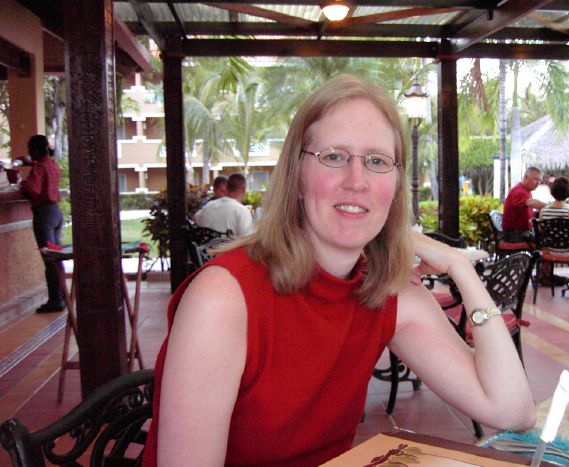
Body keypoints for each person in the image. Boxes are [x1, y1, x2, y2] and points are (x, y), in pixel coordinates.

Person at [142, 75, 535, 466]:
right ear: (297, 178)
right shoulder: (223, 299)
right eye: (333, 157)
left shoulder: (385, 292)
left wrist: (462, 269)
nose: (356, 181)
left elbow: (512, 411)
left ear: (396, 186)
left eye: (377, 161)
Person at [20, 135, 65, 313]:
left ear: (36, 150)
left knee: (49, 259)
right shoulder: (51, 164)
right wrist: (31, 164)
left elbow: (33, 188)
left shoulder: (39, 167)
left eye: (30, 150)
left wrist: (23, 183)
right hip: (56, 213)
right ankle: (62, 296)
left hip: (44, 214)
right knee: (56, 257)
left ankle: (55, 300)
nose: (29, 153)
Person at [503, 166, 565, 286]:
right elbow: (531, 203)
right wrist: (554, 208)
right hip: (514, 235)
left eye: (539, 180)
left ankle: (544, 274)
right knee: (548, 241)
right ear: (526, 177)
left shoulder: (525, 192)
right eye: (536, 179)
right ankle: (544, 276)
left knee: (547, 238)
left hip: (521, 231)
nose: (538, 182)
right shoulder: (519, 191)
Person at [193, 172, 254, 237]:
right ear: (244, 190)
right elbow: (248, 238)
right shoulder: (242, 211)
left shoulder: (208, 205)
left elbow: (195, 218)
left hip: (207, 243)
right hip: (230, 243)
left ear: (226, 188)